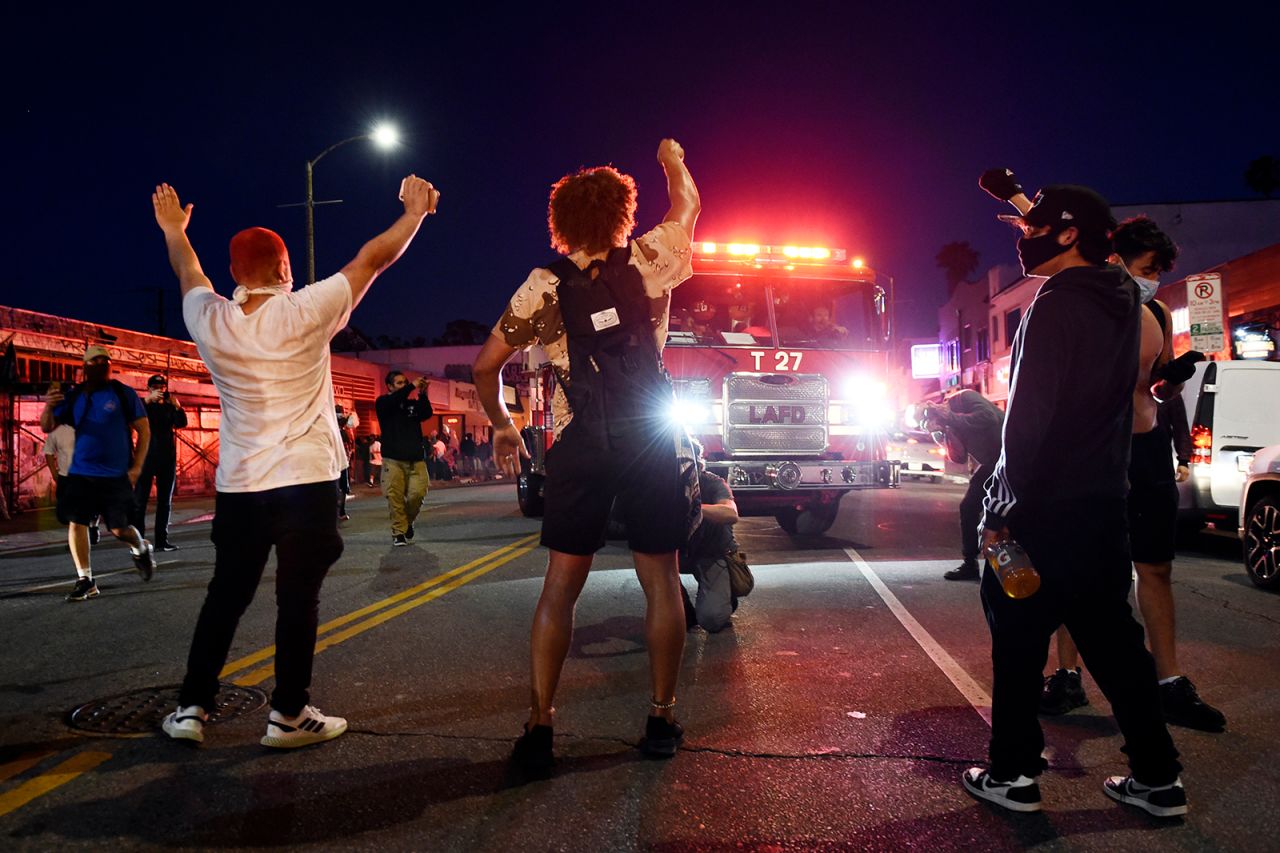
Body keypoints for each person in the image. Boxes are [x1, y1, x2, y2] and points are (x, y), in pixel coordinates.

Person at [153, 175, 440, 748]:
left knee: (226, 595)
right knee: (297, 598)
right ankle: (287, 714)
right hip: (305, 482)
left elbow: (190, 275)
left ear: (234, 275)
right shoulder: (308, 310)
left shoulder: (210, 320)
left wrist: (174, 231)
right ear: (286, 270)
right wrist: (413, 216)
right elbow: (371, 261)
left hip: (240, 484)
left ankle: (191, 708)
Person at [962, 171, 1185, 818]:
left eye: (1033, 233)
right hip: (1100, 506)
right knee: (1116, 642)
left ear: (1066, 235)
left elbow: (1029, 419)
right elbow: (1094, 240)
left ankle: (1013, 774)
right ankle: (1158, 776)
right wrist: (1024, 201)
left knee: (1018, 639)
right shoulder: (1122, 297)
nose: (1024, 242)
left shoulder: (1052, 307)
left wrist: (999, 511)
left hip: (1040, 509)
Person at [473, 138, 699, 773]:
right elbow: (689, 204)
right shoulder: (654, 258)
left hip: (580, 445)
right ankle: (660, 717)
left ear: (561, 225)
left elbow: (486, 364)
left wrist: (504, 427)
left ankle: (541, 726)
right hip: (650, 440)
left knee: (559, 589)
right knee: (660, 582)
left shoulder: (542, 288)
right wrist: (671, 162)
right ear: (622, 216)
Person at [1041, 216, 1225, 732]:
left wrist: (1172, 378)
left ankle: (1170, 684)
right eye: (1148, 269)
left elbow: (1157, 390)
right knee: (1083, 567)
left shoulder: (1157, 311)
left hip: (1147, 448)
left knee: (1156, 567)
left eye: (1161, 274)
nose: (1154, 282)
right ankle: (1067, 676)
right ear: (1116, 259)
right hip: (1097, 452)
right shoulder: (1086, 307)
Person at [40, 348, 156, 601]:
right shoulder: (75, 396)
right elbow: (47, 425)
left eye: (106, 361)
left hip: (115, 475)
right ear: (85, 366)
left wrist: (136, 467)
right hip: (81, 472)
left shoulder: (123, 394)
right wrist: (50, 405)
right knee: (77, 520)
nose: (102, 364)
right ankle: (86, 579)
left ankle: (140, 548)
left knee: (118, 529)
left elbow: (144, 431)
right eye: (95, 360)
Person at [920, 389, 1004, 581]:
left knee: (1012, 510)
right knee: (968, 507)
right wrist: (944, 436)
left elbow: (988, 417)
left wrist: (949, 418)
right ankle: (970, 563)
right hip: (993, 463)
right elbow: (959, 457)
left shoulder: (963, 398)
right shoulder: (950, 426)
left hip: (1010, 456)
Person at [679, 442, 744, 633]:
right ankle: (685, 612)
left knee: (712, 619)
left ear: (698, 462)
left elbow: (731, 514)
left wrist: (694, 507)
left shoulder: (712, 482)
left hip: (712, 553)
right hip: (677, 553)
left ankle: (726, 596)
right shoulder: (663, 483)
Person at [131, 374, 188, 551]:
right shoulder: (142, 405)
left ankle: (161, 541)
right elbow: (132, 420)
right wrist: (147, 401)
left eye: (162, 387)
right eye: (156, 387)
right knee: (140, 501)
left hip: (167, 458)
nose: (160, 390)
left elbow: (181, 423)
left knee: (165, 502)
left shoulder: (169, 406)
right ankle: (138, 543)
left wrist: (178, 407)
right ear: (149, 388)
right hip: (146, 457)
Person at [376, 372, 433, 546]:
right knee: (395, 497)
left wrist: (422, 393)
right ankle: (399, 532)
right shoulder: (383, 403)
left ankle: (407, 522)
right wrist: (411, 386)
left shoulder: (410, 404)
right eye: (399, 383)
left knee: (418, 494)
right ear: (390, 386)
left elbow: (426, 413)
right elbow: (395, 400)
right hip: (393, 460)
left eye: (405, 382)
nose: (404, 385)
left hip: (416, 459)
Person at [335, 405, 355, 521]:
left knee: (335, 487)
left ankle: (335, 512)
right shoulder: (344, 432)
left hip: (331, 463)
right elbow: (348, 448)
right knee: (343, 487)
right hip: (342, 462)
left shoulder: (330, 427)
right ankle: (341, 511)